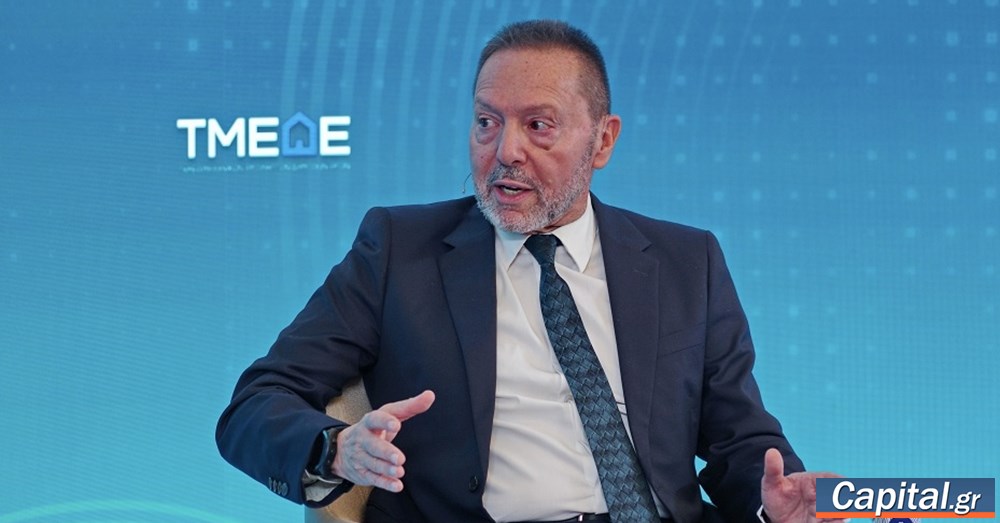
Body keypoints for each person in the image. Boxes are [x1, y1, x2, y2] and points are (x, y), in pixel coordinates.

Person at [217, 20, 842, 523]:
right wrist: (335, 449)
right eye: (487, 122)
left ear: (603, 141)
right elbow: (255, 404)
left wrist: (775, 505)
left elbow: (738, 441)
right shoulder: (400, 252)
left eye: (538, 126)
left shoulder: (686, 261)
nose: (505, 151)